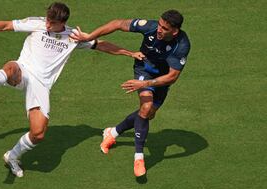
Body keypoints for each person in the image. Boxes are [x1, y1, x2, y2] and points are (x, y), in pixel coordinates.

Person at [0, 2, 143, 177]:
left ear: (62, 22)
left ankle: (12, 156)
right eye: (47, 20)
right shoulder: (37, 23)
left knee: (38, 134)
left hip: (42, 85)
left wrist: (130, 53)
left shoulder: (73, 37)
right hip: (24, 70)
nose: (47, 25)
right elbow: (7, 25)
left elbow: (102, 45)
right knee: (12, 68)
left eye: (51, 23)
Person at [70, 10, 191, 177]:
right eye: (159, 25)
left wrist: (145, 84)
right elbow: (118, 23)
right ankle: (139, 157)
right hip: (144, 69)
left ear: (174, 31)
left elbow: (172, 77)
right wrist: (89, 37)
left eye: (164, 28)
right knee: (146, 107)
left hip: (161, 79)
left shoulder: (181, 46)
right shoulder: (150, 27)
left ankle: (112, 133)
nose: (159, 30)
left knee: (148, 114)